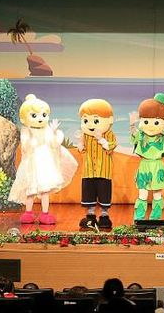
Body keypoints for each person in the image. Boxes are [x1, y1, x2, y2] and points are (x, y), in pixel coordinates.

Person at [9, 94, 78, 224]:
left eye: (44, 115)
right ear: (24, 118)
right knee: (30, 190)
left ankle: (45, 214)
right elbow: (26, 147)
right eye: (34, 115)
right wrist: (30, 137)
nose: (40, 118)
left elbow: (54, 145)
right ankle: (28, 213)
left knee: (45, 190)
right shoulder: (26, 131)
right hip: (31, 165)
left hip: (45, 164)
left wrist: (54, 133)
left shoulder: (47, 130)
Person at [130, 92, 164, 221]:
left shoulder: (162, 136)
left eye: (156, 122)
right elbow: (134, 135)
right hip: (144, 165)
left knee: (157, 194)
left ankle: (155, 218)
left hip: (157, 166)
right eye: (146, 121)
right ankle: (139, 218)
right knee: (142, 193)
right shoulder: (141, 136)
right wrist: (132, 125)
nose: (150, 126)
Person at [77, 98, 117, 231]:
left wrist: (101, 139)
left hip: (104, 171)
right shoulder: (85, 135)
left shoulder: (109, 134)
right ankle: (91, 215)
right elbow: (82, 150)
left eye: (95, 120)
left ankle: (104, 216)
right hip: (88, 170)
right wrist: (80, 144)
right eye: (85, 120)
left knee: (104, 192)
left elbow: (111, 146)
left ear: (109, 120)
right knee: (89, 192)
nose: (90, 124)